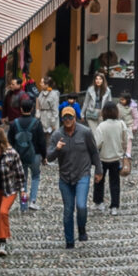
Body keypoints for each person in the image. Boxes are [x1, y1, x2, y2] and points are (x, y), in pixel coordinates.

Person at [48, 103, 96, 248]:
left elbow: (94, 152)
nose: (68, 119)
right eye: (65, 117)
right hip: (65, 177)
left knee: (81, 206)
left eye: (70, 117)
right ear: (62, 119)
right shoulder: (57, 135)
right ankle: (69, 240)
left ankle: (81, 227)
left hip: (82, 174)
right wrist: (57, 149)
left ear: (75, 118)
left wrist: (99, 171)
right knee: (68, 210)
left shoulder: (85, 132)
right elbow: (49, 157)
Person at [0, 126, 24, 256]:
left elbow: (20, 174)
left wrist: (23, 191)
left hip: (9, 189)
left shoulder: (12, 154)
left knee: (3, 212)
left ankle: (3, 242)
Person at [92, 95, 130, 215]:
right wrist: (123, 151)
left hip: (103, 157)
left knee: (99, 180)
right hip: (116, 157)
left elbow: (97, 143)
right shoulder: (121, 124)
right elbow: (125, 139)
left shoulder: (101, 126)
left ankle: (99, 202)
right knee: (115, 182)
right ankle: (114, 206)